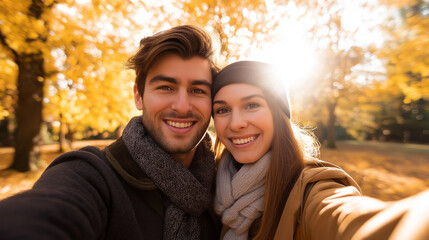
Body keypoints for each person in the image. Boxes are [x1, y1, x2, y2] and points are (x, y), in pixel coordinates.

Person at [0, 25, 221, 240]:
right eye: (166, 87)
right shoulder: (91, 175)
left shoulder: (227, 185)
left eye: (197, 90)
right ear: (138, 96)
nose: (182, 106)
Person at [212, 60, 429, 240]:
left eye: (251, 105)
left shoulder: (311, 190)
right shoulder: (212, 182)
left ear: (278, 115)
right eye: (223, 110)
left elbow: (348, 219)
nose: (236, 123)